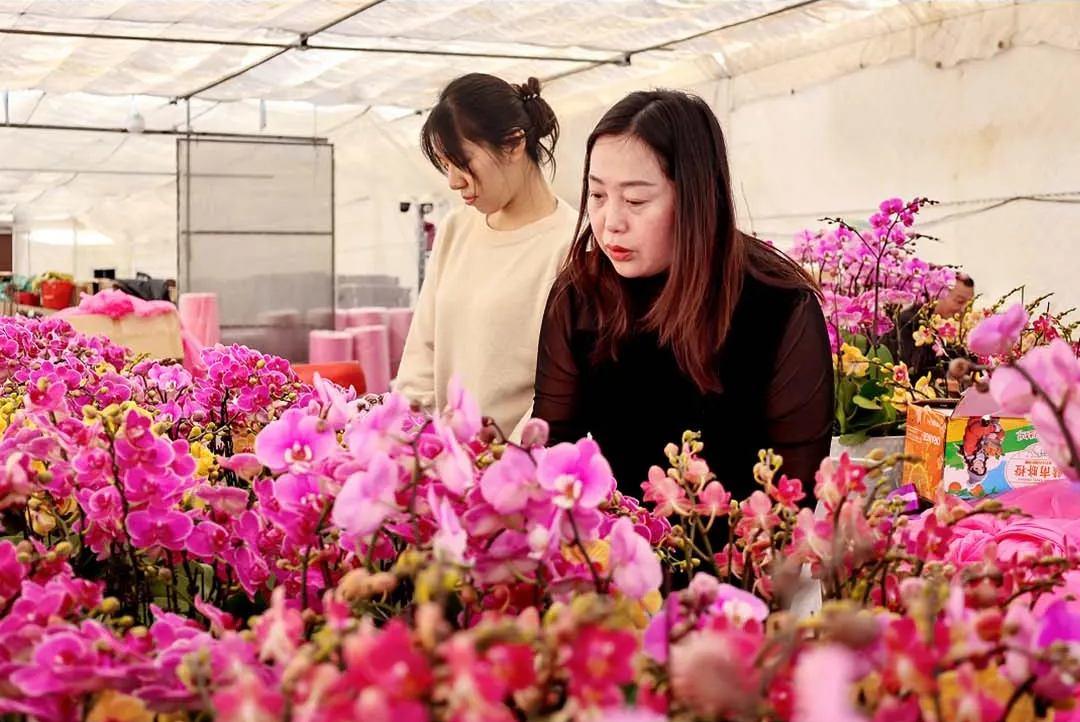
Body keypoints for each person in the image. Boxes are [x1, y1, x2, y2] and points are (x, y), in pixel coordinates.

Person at [532, 89, 833, 500]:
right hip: (612, 553)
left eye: (636, 199)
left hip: (738, 558)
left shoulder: (777, 305)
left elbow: (796, 494)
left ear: (696, 196)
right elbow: (551, 448)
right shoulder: (581, 294)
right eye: (598, 195)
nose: (610, 222)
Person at [394, 74, 577, 437]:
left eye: (462, 162)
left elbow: (557, 395)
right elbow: (421, 357)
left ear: (513, 144)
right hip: (443, 466)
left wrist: (500, 469)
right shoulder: (455, 230)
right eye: (445, 165)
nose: (453, 181)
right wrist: (403, 440)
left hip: (517, 475)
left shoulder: (570, 244)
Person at [894, 273, 975, 381]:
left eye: (969, 304)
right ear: (938, 293)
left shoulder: (956, 331)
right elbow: (911, 370)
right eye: (960, 301)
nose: (963, 309)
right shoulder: (907, 323)